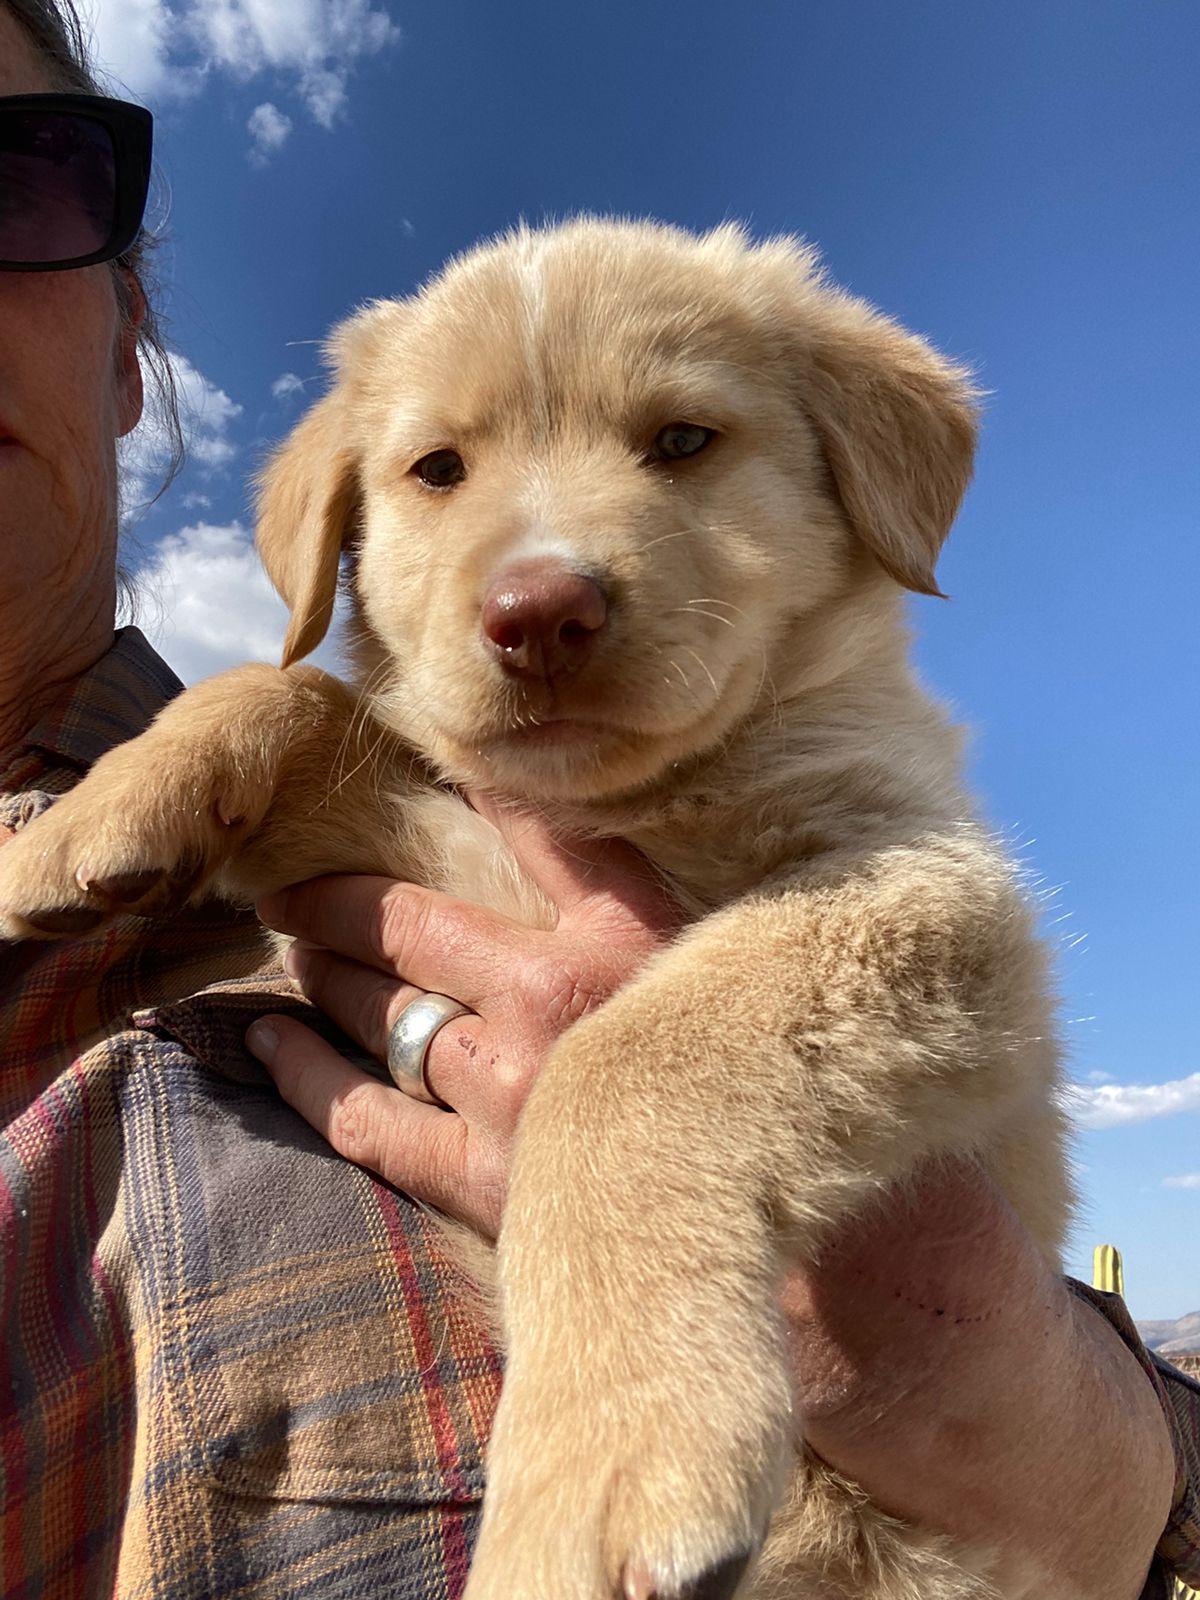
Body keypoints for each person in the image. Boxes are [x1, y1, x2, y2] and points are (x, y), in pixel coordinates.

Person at [0, 3, 1194, 1595]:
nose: (542, 577)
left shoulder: (807, 731)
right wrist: (263, 725)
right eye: (439, 470)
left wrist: (1080, 1447)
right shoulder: (281, 764)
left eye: (682, 436)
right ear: (336, 538)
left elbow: (933, 937)